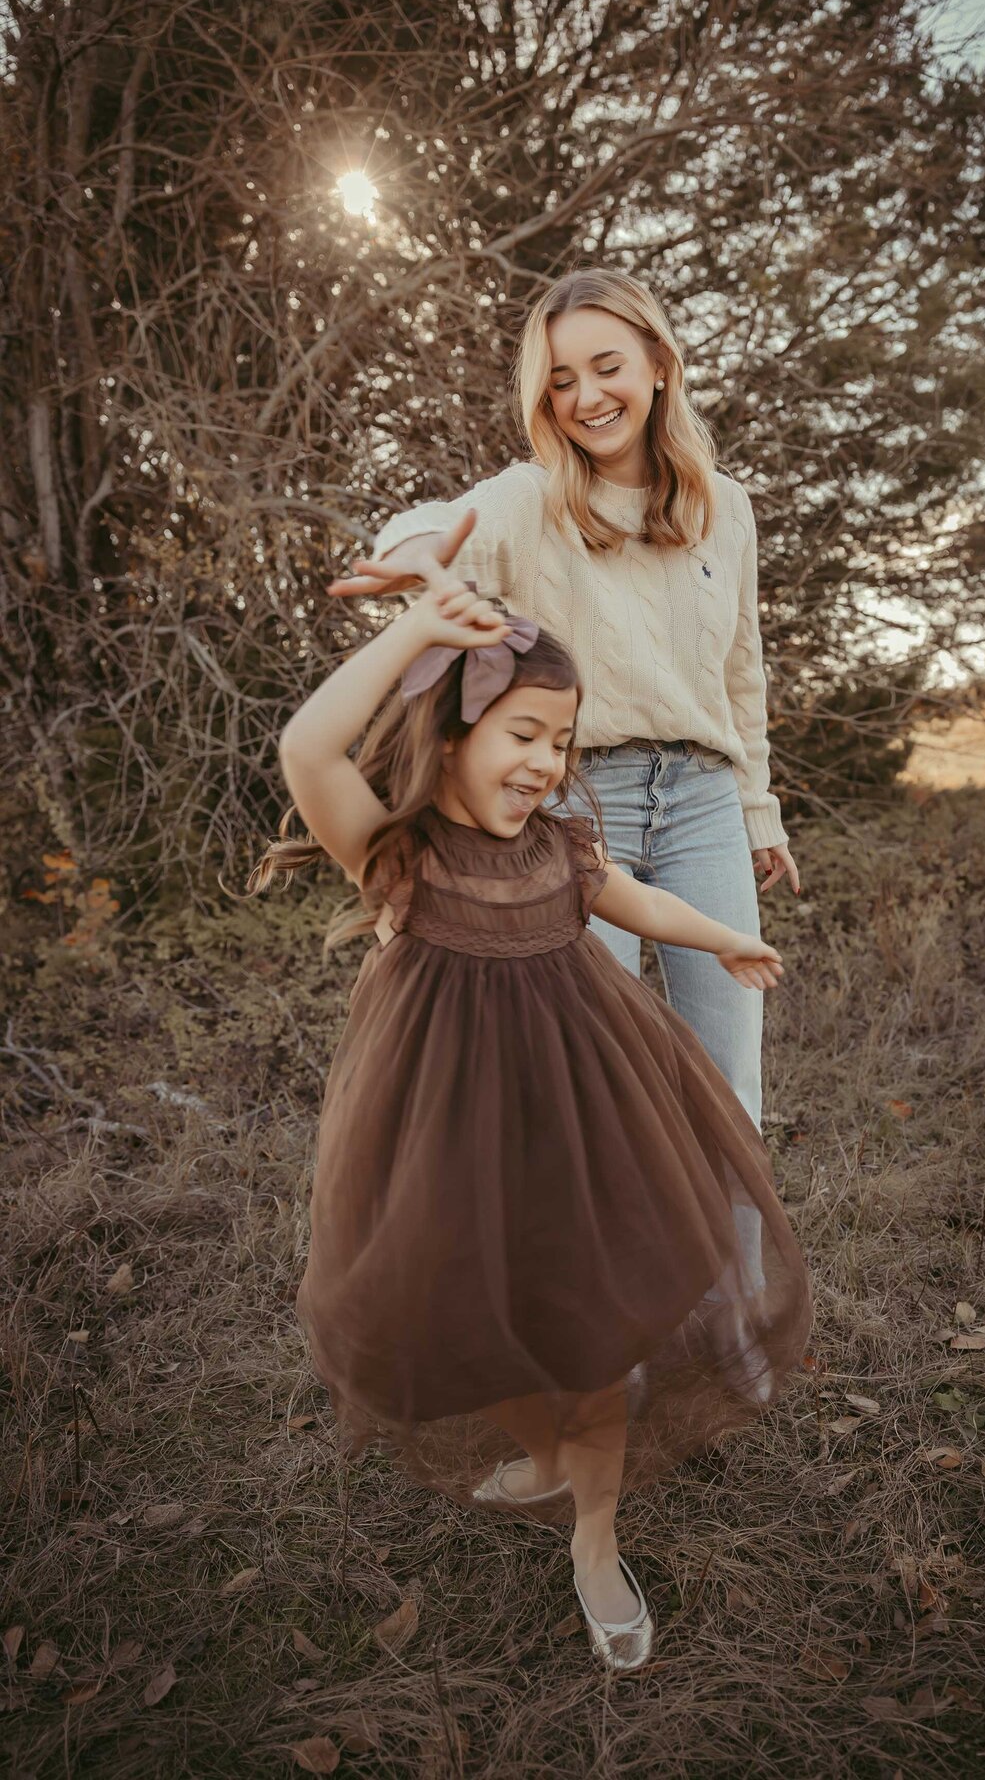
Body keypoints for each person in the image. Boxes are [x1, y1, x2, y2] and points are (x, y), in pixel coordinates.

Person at [249, 567, 812, 1674]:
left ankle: (595, 1538)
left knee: (592, 1315)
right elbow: (308, 752)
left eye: (560, 741)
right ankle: (545, 1444)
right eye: (522, 734)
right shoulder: (397, 855)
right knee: (471, 1306)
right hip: (448, 1133)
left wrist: (716, 937)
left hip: (583, 1111)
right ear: (451, 731)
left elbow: (635, 903)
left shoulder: (561, 844)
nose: (546, 764)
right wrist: (412, 627)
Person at [336, 268, 803, 1311]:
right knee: (581, 1093)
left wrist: (758, 810)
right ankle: (593, 1350)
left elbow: (741, 672)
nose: (586, 397)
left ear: (656, 366)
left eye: (606, 367)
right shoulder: (526, 497)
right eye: (558, 382)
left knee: (726, 1084)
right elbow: (430, 522)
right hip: (570, 806)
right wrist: (414, 561)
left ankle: (726, 1336)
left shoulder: (726, 511)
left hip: (702, 805)